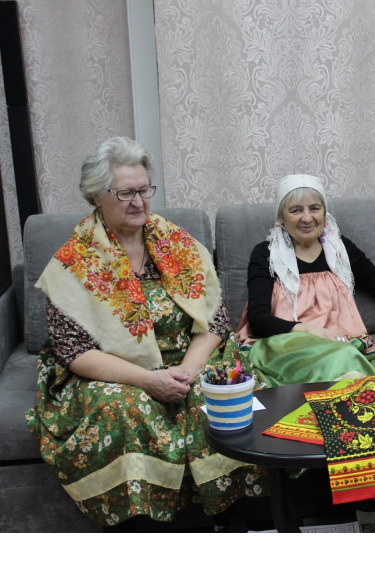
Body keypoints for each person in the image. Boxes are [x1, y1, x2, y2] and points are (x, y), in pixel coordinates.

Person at [25, 137, 266, 529]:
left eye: (144, 190)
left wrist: (187, 372)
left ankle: (240, 520)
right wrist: (149, 380)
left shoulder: (176, 243)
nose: (138, 202)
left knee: (219, 394)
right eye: (126, 193)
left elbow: (214, 322)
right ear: (96, 196)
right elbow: (76, 351)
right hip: (117, 372)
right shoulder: (75, 261)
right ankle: (149, 526)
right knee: (125, 408)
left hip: (187, 360)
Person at [235, 174, 375, 387]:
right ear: (281, 217)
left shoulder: (340, 250)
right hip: (285, 346)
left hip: (337, 346)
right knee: (344, 358)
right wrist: (310, 330)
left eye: (315, 208)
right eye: (296, 210)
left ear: (324, 213)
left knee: (358, 362)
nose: (307, 218)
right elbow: (258, 319)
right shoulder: (267, 254)